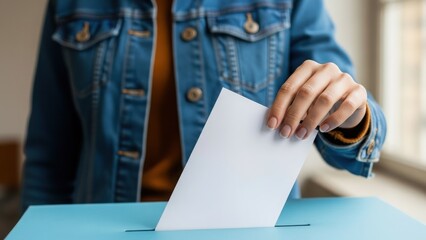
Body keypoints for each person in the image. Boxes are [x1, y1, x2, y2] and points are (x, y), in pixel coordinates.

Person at [22, 0, 386, 209]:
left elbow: (350, 131)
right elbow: (48, 159)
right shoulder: (70, 4)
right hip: (105, 227)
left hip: (250, 228)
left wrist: (352, 116)